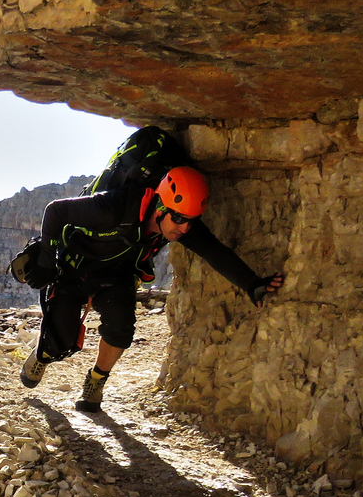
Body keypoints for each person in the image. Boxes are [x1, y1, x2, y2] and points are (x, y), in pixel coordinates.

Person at [19, 164, 284, 412]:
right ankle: (43, 355)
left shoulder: (180, 223)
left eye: (191, 221)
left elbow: (214, 251)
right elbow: (55, 211)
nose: (185, 228)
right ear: (161, 208)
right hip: (74, 269)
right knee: (60, 341)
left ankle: (96, 381)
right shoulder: (114, 207)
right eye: (180, 219)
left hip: (117, 275)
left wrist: (252, 284)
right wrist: (45, 263)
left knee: (121, 330)